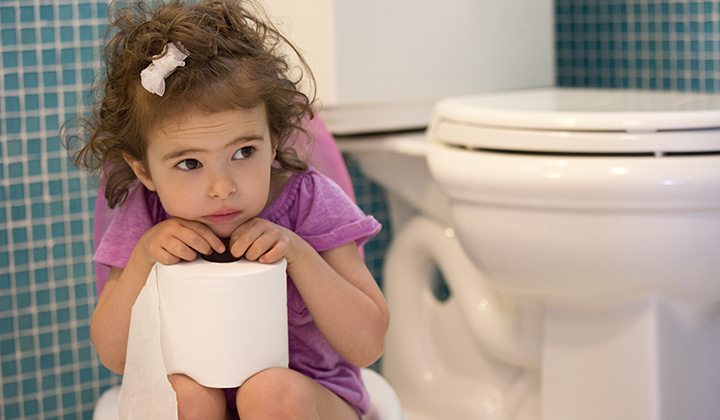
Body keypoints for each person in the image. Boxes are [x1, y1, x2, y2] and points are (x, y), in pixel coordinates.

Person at [64, 1, 390, 419]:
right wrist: (145, 256)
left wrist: (299, 254)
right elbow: (114, 355)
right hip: (203, 396)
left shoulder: (309, 202)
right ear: (143, 170)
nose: (222, 187)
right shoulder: (146, 215)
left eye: (244, 151)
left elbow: (368, 345)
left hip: (310, 398)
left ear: (275, 141)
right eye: (189, 163)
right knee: (183, 397)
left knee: (270, 393)